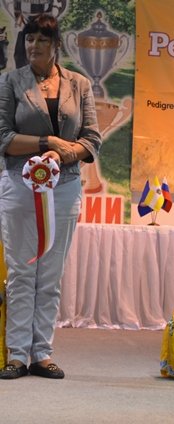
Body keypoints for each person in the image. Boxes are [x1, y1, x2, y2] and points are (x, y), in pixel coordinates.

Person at [0, 14, 101, 379]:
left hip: (65, 188)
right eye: (29, 40)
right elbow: (4, 139)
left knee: (51, 276)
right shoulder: (10, 81)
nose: (33, 46)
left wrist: (63, 155)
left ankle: (42, 352)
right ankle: (16, 355)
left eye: (41, 40)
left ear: (56, 45)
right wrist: (47, 143)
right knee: (22, 274)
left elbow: (92, 139)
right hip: (19, 188)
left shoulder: (80, 84)